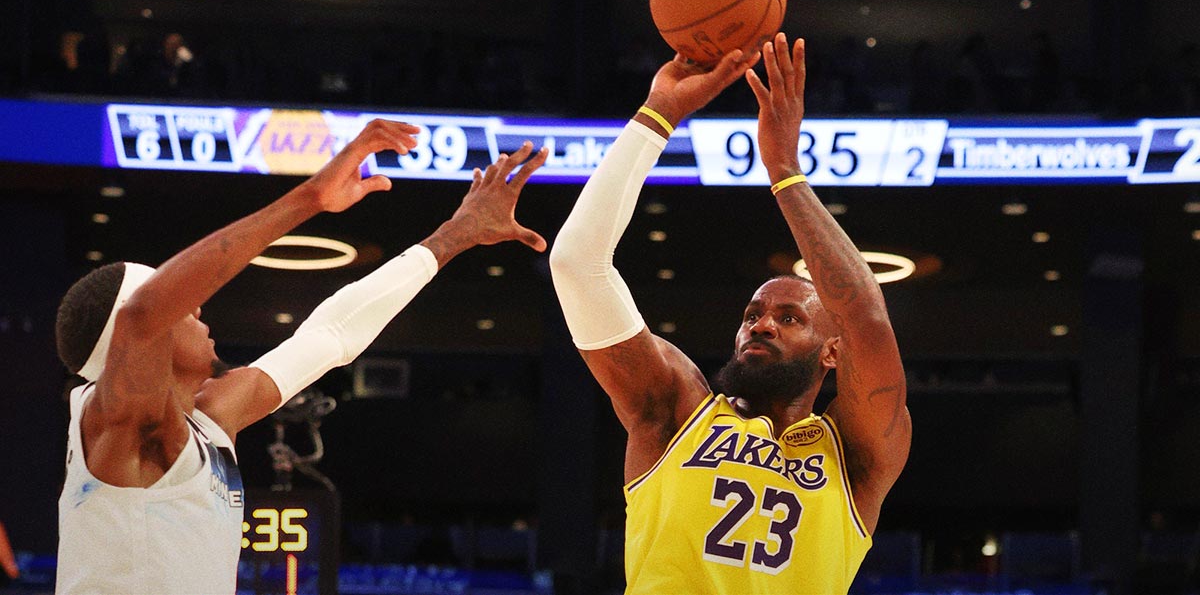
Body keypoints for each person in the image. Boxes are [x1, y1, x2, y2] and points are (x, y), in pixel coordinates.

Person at [53, 119, 549, 595]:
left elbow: (333, 331)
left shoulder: (209, 420)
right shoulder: (117, 432)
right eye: (179, 306)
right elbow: (143, 314)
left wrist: (456, 234)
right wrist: (310, 198)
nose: (196, 305)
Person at [549, 34, 911, 594]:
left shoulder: (855, 451)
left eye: (790, 318)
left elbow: (865, 320)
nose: (761, 324)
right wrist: (658, 115)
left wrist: (785, 171)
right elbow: (577, 264)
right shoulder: (674, 409)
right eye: (752, 314)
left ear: (832, 350)